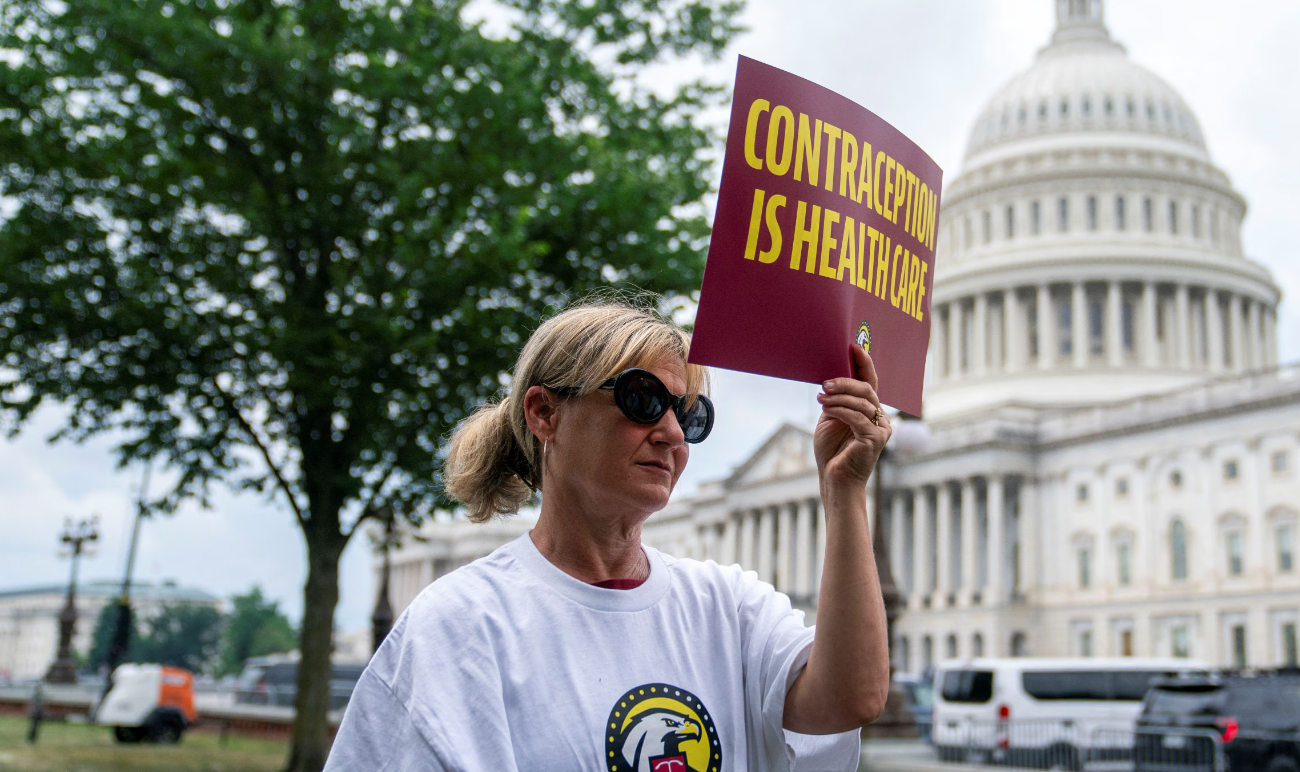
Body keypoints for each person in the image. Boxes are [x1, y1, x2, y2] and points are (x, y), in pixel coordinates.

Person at [326, 300, 893, 771]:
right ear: (544, 412)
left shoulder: (727, 605)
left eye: (690, 415)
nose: (672, 433)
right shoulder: (463, 624)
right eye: (642, 399)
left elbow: (851, 699)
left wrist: (842, 491)